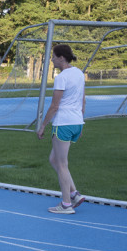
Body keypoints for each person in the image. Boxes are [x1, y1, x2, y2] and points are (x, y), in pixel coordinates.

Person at [37, 44, 86, 214]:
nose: (51, 60)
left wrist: (43, 125)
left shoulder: (62, 77)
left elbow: (55, 106)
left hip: (64, 123)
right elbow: (83, 101)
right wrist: (79, 120)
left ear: (61, 58)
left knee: (62, 164)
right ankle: (74, 194)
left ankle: (66, 204)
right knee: (54, 159)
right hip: (76, 122)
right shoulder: (79, 73)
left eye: (53, 57)